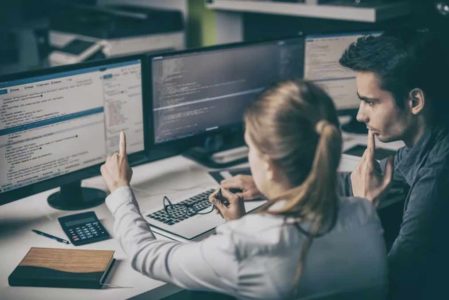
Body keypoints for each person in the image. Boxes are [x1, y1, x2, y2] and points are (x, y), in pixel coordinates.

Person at [101, 81, 387, 299]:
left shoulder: (244, 244)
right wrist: (240, 225)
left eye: (250, 148)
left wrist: (119, 189)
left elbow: (145, 256)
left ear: (270, 166)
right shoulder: (364, 212)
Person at [223, 29, 449, 299]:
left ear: (414, 101)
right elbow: (356, 179)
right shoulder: (428, 142)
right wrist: (273, 184)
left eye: (370, 102)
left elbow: (394, 283)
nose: (360, 114)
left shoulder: (438, 175)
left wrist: (365, 209)